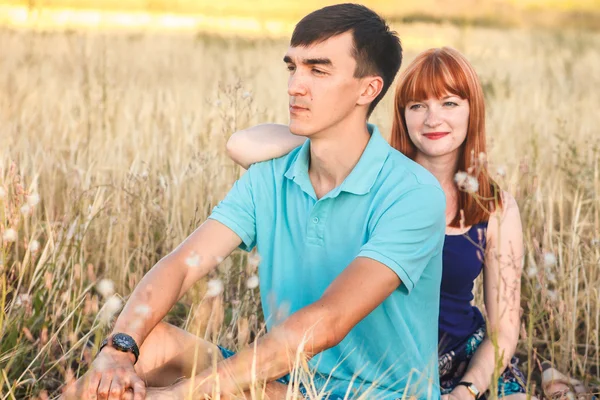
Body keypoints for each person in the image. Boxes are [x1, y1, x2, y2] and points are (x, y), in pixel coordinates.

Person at [63, 4, 448, 400]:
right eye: (292, 67)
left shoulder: (412, 194)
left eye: (318, 70)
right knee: (146, 346)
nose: (295, 85)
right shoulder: (271, 175)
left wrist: (181, 393)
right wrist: (118, 349)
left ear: (368, 89)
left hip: (372, 394)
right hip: (285, 380)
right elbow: (181, 265)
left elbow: (327, 321)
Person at [226, 47, 536, 400]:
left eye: (449, 103)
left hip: (466, 364)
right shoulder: (373, 175)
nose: (433, 119)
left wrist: (467, 391)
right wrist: (323, 140)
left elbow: (503, 330)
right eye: (418, 106)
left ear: (472, 111)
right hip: (379, 365)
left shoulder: (495, 207)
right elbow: (241, 146)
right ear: (402, 115)